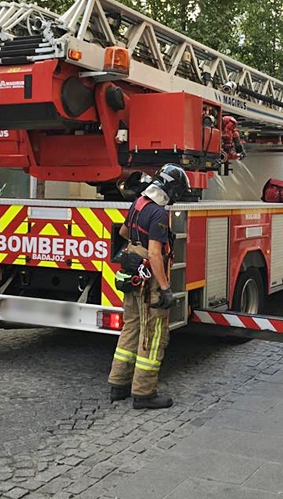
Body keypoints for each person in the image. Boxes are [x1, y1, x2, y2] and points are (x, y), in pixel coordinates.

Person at [107, 164, 189, 410]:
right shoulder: (158, 213)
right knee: (152, 334)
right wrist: (165, 288)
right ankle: (144, 393)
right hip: (148, 278)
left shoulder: (138, 204)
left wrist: (136, 245)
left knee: (130, 327)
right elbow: (155, 254)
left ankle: (118, 385)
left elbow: (123, 231)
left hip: (131, 270)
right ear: (171, 190)